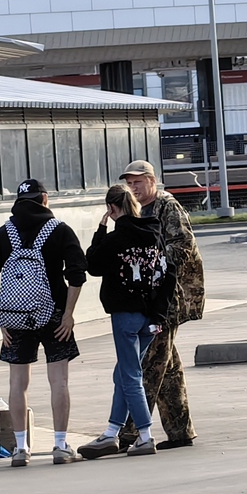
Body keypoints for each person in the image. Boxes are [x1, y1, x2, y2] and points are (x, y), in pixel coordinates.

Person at [0, 178, 87, 467]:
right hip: (54, 315)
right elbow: (77, 274)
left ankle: (20, 449)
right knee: (58, 380)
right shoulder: (60, 230)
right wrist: (68, 314)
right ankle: (60, 446)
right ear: (45, 199)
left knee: (17, 382)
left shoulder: (4, 233)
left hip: (15, 318)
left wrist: (0, 316)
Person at [79, 183, 173, 459]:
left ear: (111, 208)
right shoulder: (154, 232)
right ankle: (111, 433)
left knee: (130, 376)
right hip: (150, 316)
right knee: (122, 374)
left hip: (125, 314)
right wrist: (159, 314)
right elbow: (169, 273)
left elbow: (92, 265)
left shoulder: (115, 239)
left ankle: (145, 435)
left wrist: (100, 229)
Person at [115, 161, 204, 450]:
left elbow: (183, 247)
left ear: (153, 181)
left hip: (166, 302)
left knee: (149, 364)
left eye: (138, 182)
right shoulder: (139, 211)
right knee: (168, 368)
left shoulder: (167, 206)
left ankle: (129, 432)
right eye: (130, 183)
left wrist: (148, 262)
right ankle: (180, 432)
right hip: (149, 301)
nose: (134, 187)